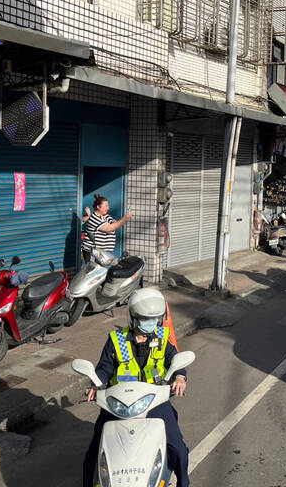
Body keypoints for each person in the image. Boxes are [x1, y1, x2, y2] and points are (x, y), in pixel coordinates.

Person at [82, 288, 190, 487]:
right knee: (94, 452)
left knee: (179, 449)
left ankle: (184, 483)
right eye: (144, 318)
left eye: (155, 319)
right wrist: (95, 385)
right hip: (119, 403)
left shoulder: (163, 338)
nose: (151, 323)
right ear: (133, 318)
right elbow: (104, 367)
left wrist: (180, 377)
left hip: (154, 401)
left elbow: (176, 361)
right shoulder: (117, 340)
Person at [82, 194, 132, 263]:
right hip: (92, 253)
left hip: (102, 253)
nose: (108, 208)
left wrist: (123, 220)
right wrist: (125, 218)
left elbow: (116, 224)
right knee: (93, 272)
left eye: (108, 206)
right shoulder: (94, 218)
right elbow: (110, 228)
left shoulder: (106, 216)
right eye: (105, 206)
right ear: (98, 207)